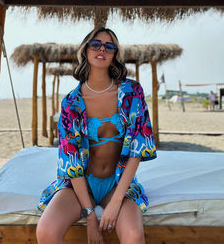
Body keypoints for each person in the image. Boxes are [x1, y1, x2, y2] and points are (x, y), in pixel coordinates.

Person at [36, 27, 157, 244]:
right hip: (79, 185)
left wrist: (117, 201)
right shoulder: (71, 103)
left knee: (134, 235)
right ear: (86, 51)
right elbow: (70, 161)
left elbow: (138, 148)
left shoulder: (132, 93)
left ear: (114, 56)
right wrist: (90, 215)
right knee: (46, 231)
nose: (102, 49)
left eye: (109, 46)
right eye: (95, 44)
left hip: (117, 183)